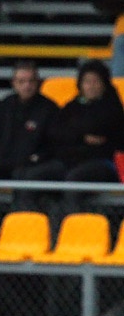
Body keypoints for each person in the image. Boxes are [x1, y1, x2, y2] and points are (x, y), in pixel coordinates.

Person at [0, 61, 60, 211]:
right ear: (14, 83)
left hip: (34, 169)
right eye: (21, 81)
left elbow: (53, 146)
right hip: (4, 167)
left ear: (38, 82)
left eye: (31, 81)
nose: (27, 86)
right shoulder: (4, 107)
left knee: (24, 177)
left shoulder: (49, 109)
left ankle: (18, 224)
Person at [44, 60, 124, 212]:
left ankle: (72, 227)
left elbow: (99, 126)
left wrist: (73, 133)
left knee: (73, 180)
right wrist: (82, 137)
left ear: (104, 84)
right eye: (87, 81)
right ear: (80, 84)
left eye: (96, 82)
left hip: (103, 163)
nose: (91, 86)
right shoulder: (72, 106)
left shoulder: (112, 107)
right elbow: (56, 133)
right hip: (70, 160)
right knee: (35, 175)